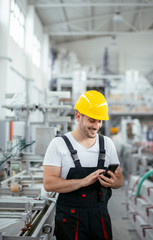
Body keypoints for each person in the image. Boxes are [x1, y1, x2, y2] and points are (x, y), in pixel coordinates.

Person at [43, 90, 124, 240]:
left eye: (100, 121)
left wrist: (113, 182)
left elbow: (120, 180)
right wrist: (82, 182)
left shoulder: (107, 144)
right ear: (78, 116)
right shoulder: (58, 144)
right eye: (92, 120)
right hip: (70, 220)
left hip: (100, 216)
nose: (97, 126)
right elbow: (49, 183)